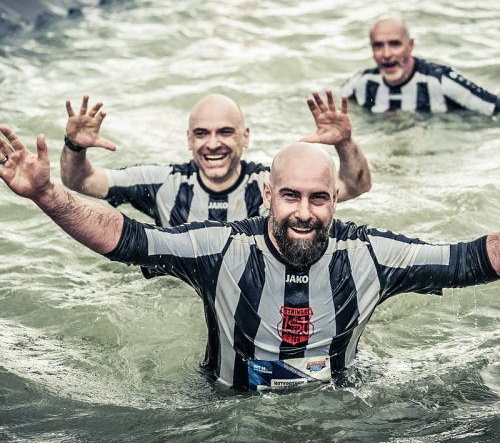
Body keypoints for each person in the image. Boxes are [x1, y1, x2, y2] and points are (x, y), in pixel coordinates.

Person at [1, 93, 499, 392]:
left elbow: (469, 259)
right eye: (290, 196)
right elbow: (127, 238)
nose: (303, 212)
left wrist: (345, 143)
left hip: (342, 407)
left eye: (318, 198)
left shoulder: (369, 254)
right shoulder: (216, 244)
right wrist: (47, 192)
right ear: (268, 196)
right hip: (225, 407)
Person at [60, 91, 371, 227]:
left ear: (245, 137)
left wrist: (344, 143)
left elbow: (355, 186)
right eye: (201, 133)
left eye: (225, 132)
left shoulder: (270, 184)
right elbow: (80, 180)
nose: (212, 144)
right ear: (189, 139)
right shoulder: (163, 183)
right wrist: (74, 146)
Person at [342, 16, 500, 115]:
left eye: (395, 44)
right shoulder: (360, 83)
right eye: (378, 46)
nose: (386, 54)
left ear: (410, 45)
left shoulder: (439, 80)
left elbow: (494, 107)